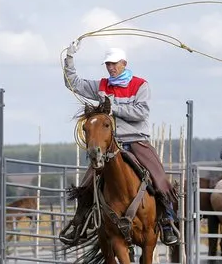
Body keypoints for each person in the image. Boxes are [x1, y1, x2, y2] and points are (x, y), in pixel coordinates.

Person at [59, 42, 180, 246]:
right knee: (87, 184)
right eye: (108, 64)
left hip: (136, 140)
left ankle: (167, 221)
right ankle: (80, 223)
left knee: (159, 177)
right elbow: (73, 83)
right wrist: (69, 59)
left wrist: (113, 108)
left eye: (114, 64)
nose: (111, 68)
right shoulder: (102, 85)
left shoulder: (140, 85)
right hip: (111, 144)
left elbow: (141, 112)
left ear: (124, 63)